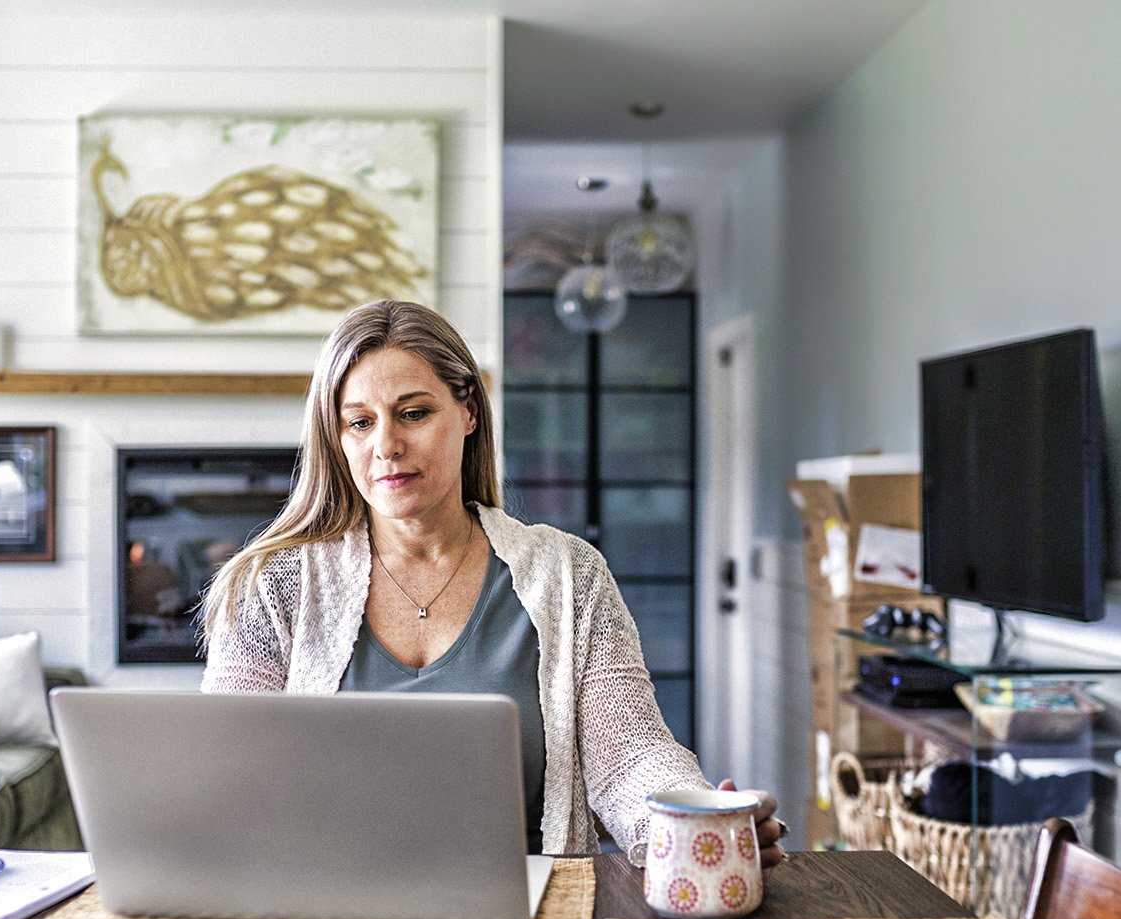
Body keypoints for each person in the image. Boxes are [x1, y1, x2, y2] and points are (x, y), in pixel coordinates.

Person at [201, 299, 784, 865]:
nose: (386, 446)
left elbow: (629, 754)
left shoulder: (570, 576)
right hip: (324, 906)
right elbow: (226, 768)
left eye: (413, 413)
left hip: (525, 917)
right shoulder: (273, 585)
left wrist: (687, 820)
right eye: (359, 422)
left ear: (469, 411)